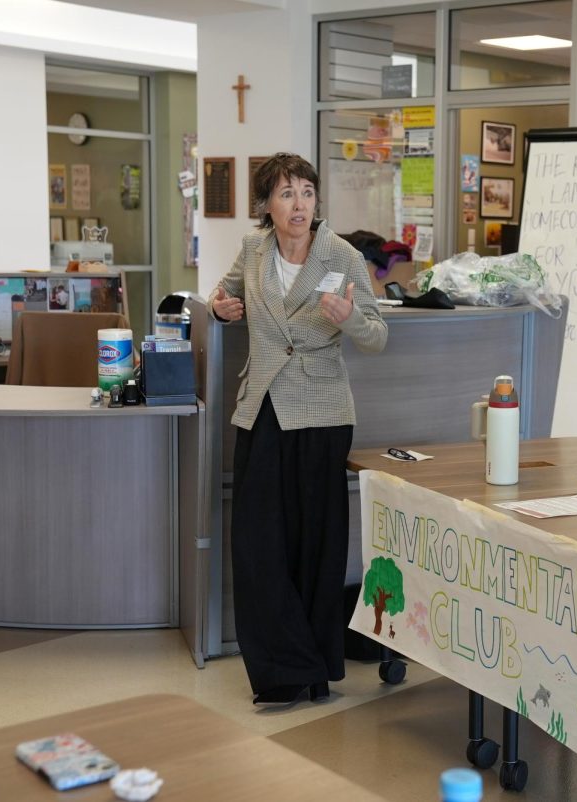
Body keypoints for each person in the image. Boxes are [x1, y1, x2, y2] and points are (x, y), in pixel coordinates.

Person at [209, 152, 388, 707]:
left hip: (322, 410)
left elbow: (377, 335)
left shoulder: (342, 254)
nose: (299, 204)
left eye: (307, 192)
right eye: (287, 194)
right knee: (259, 545)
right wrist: (221, 310)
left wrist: (348, 318)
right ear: (267, 205)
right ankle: (283, 670)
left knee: (316, 545)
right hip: (261, 406)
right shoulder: (252, 250)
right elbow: (220, 295)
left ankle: (316, 669)